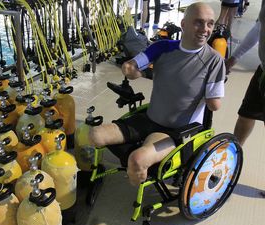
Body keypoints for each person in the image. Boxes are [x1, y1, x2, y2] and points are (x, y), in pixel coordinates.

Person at [90, 2, 226, 186]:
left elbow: (214, 105)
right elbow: (132, 65)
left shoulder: (214, 60)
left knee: (136, 160)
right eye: (198, 22)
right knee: (95, 134)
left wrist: (211, 90)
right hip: (150, 118)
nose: (205, 29)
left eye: (210, 24)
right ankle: (136, 166)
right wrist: (131, 69)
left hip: (177, 130)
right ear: (184, 24)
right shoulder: (163, 47)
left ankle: (136, 189)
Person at [225, 1, 265, 147]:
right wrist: (233, 58)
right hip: (262, 71)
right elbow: (259, 27)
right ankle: (235, 153)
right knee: (246, 114)